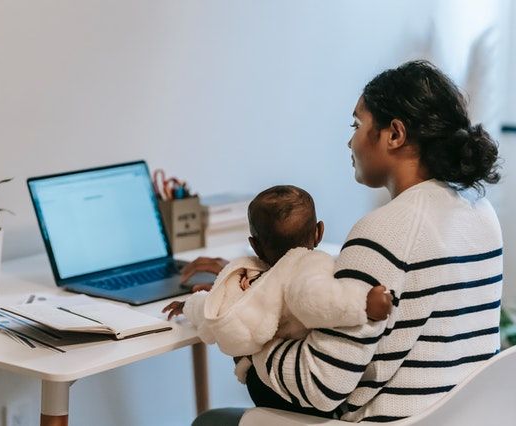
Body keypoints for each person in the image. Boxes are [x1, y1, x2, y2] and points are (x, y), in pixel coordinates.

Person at [190, 60, 503, 425]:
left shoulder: (384, 230)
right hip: (459, 418)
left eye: (357, 124)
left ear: (394, 135)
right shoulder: (480, 213)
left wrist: (243, 320)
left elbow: (320, 386)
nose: (350, 140)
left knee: (212, 421)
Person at [162, 185, 392, 384]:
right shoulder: (310, 268)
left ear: (255, 246)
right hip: (290, 379)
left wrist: (188, 305)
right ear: (319, 232)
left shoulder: (254, 285)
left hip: (271, 384)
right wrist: (364, 303)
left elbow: (213, 312)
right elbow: (322, 299)